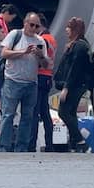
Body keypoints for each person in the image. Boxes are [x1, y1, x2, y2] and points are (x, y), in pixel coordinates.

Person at [0, 12, 49, 152]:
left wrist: (41, 56)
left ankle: (22, 148)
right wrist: (23, 52)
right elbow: (4, 53)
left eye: (37, 26)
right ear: (25, 24)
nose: (34, 28)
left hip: (31, 83)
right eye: (32, 25)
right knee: (8, 115)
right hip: (13, 81)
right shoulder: (15, 35)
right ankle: (3, 147)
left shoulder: (40, 41)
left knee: (28, 117)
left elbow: (46, 65)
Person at [54, 16, 93, 152]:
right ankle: (75, 143)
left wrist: (66, 88)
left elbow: (74, 68)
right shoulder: (81, 45)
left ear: (75, 30)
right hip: (77, 85)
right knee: (70, 113)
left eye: (69, 27)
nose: (66, 30)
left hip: (75, 85)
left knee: (63, 112)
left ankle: (80, 141)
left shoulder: (79, 46)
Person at [29, 13, 56, 152]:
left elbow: (39, 58)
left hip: (40, 76)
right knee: (45, 112)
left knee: (35, 112)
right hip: (48, 77)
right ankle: (49, 144)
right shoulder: (52, 38)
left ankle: (31, 144)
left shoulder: (42, 40)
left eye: (36, 26)